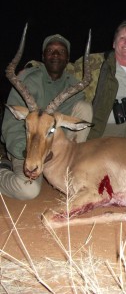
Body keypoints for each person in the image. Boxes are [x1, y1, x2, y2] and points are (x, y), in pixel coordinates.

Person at [0, 34, 93, 199]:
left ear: (67, 58)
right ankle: (3, 169)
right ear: (43, 57)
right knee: (28, 190)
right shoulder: (26, 80)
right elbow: (10, 125)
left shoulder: (73, 85)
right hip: (26, 150)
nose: (55, 54)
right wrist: (27, 153)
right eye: (50, 51)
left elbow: (76, 120)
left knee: (85, 108)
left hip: (54, 150)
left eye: (60, 51)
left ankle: (72, 167)